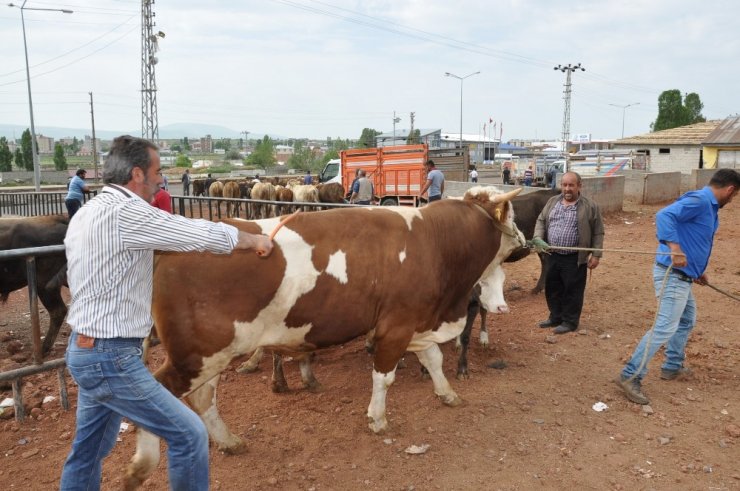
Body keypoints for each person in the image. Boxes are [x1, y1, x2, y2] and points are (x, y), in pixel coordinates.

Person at [59, 135, 272, 490]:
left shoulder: (89, 211)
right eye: (157, 172)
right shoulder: (126, 211)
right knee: (188, 435)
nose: (161, 179)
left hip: (86, 348)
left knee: (89, 450)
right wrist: (254, 240)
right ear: (138, 173)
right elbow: (192, 231)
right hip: (109, 355)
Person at [616, 169, 739, 405]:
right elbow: (664, 216)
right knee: (664, 326)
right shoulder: (701, 201)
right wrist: (674, 248)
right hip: (672, 275)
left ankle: (672, 365)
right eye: (733, 196)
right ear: (730, 189)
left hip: (684, 275)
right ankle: (630, 376)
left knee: (685, 320)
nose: (731, 200)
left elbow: (692, 237)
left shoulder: (707, 205)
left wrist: (695, 270)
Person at [533, 171, 604, 334]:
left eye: (571, 185)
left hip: (575, 258)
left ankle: (570, 322)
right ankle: (555, 317)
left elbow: (598, 232)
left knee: (573, 291)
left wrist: (596, 254)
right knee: (552, 288)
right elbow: (541, 221)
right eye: (564, 185)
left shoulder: (589, 206)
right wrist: (538, 238)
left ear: (579, 186)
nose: (567, 189)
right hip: (552, 254)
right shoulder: (552, 202)